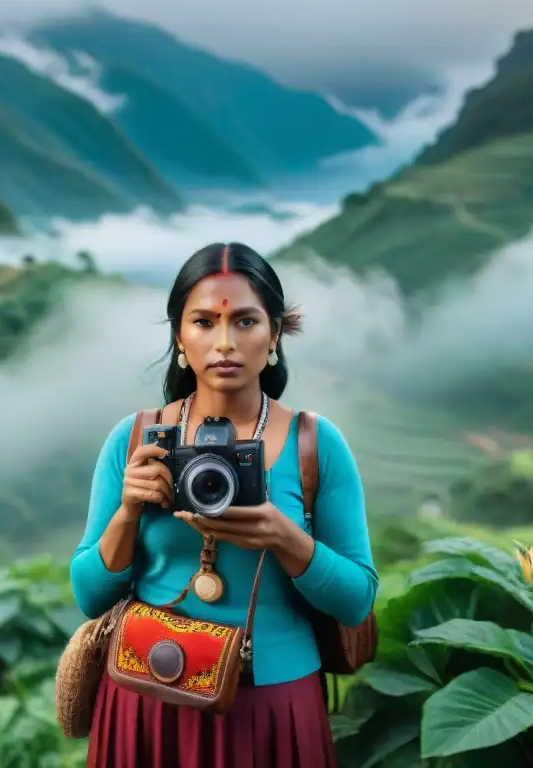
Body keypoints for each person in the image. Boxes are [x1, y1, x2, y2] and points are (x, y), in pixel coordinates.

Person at [70, 242, 378, 768]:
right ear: (179, 337)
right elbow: (88, 594)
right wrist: (127, 513)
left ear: (275, 334)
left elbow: (356, 601)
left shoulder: (316, 445)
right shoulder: (137, 438)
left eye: (246, 321)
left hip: (271, 702)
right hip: (148, 693)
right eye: (204, 322)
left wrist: (284, 537)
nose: (225, 343)